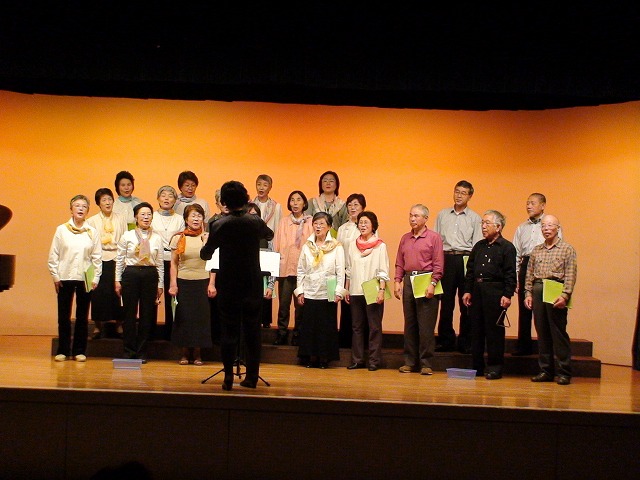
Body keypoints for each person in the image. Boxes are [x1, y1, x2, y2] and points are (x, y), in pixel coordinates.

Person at [200, 181, 273, 390]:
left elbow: (206, 254)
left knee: (229, 331)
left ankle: (228, 377)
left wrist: (207, 242)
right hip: (251, 283)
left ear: (224, 202)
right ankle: (251, 377)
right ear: (246, 198)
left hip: (229, 283)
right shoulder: (255, 221)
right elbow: (269, 234)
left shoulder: (219, 224)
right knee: (252, 331)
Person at [462, 210, 517, 379]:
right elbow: (470, 270)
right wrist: (467, 290)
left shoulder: (507, 247)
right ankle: (477, 366)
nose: (483, 226)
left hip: (495, 291)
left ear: (498, 227)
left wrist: (507, 294)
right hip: (477, 290)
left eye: (487, 223)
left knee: (494, 332)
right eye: (483, 223)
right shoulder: (478, 246)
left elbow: (510, 273)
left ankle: (495, 367)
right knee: (476, 330)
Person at [48, 195, 102, 362]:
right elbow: (54, 255)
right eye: (77, 206)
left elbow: (97, 257)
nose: (80, 209)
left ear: (87, 210)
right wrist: (55, 276)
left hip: (85, 278)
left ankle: (79, 350)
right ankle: (63, 350)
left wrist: (95, 278)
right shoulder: (61, 230)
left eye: (84, 206)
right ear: (71, 209)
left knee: (82, 316)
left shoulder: (92, 232)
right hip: (64, 276)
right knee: (63, 316)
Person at [524, 215, 577, 385]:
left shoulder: (567, 249)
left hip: (555, 290)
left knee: (558, 333)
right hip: (538, 289)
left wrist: (565, 295)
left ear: (558, 228)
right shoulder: (536, 250)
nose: (546, 229)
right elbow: (529, 274)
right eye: (543, 226)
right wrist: (528, 294)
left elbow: (570, 274)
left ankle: (564, 372)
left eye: (550, 225)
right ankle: (545, 370)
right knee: (542, 332)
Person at [434, 180, 483, 353]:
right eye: (457, 191)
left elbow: (477, 246)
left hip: (465, 259)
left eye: (463, 193)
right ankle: (445, 340)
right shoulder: (442, 215)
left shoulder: (475, 218)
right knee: (446, 302)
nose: (459, 195)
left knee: (466, 302)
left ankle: (466, 342)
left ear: (470, 196)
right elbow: (436, 241)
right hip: (447, 258)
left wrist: (473, 268)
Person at [394, 204, 444, 375]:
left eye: (416, 216)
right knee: (410, 324)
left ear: (425, 218)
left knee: (426, 325)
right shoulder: (405, 238)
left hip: (426, 279)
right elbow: (399, 262)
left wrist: (433, 283)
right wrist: (397, 281)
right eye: (411, 215)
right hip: (409, 279)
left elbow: (438, 263)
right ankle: (410, 361)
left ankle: (426, 363)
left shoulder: (434, 238)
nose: (412, 219)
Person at [511, 193, 562, 356]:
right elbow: (516, 254)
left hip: (546, 265)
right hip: (526, 264)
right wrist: (516, 277)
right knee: (524, 309)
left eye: (533, 203)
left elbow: (558, 248)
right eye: (527, 203)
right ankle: (523, 346)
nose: (528, 206)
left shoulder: (551, 224)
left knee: (547, 311)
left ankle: (547, 349)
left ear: (543, 205)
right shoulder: (521, 227)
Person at [295, 212, 346, 369]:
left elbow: (340, 270)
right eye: (316, 223)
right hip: (310, 289)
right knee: (310, 326)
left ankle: (324, 358)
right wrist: (300, 290)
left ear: (329, 226)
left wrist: (338, 291)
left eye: (322, 224)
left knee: (326, 326)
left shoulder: (336, 246)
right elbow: (301, 269)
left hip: (328, 290)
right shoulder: (307, 246)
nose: (318, 227)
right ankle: (311, 357)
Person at [115, 202, 164, 362]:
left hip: (150, 274)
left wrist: (160, 284)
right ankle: (128, 351)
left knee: (147, 314)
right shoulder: (127, 236)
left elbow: (160, 263)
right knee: (129, 313)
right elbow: (120, 260)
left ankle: (142, 352)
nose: (146, 217)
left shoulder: (157, 237)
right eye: (143, 214)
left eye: (149, 214)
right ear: (136, 217)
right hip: (131, 274)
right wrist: (117, 280)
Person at [344, 211, 389, 371]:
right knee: (357, 327)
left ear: (373, 226)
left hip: (373, 290)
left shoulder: (380, 246)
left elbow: (383, 270)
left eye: (366, 223)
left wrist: (381, 290)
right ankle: (358, 360)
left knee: (374, 327)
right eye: (360, 223)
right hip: (356, 290)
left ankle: (374, 361)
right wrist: (347, 288)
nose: (362, 225)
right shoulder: (353, 245)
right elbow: (349, 269)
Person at [168, 204, 212, 365]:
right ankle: (185, 353)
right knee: (184, 317)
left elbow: (212, 263)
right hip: (184, 282)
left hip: (203, 281)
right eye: (193, 216)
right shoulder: (178, 237)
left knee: (200, 318)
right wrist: (173, 284)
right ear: (186, 219)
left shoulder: (207, 237)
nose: (196, 219)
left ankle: (198, 353)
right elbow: (174, 263)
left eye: (199, 216)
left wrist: (212, 284)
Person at [272, 190, 313, 346]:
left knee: (301, 306)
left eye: (298, 200)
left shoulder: (310, 222)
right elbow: (276, 245)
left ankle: (298, 334)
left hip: (303, 271)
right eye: (292, 200)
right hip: (285, 269)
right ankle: (282, 333)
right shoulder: (283, 222)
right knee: (283, 305)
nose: (295, 203)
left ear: (304, 203)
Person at [87, 188, 127, 339]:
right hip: (99, 259)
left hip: (117, 257)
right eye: (104, 200)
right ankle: (98, 326)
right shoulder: (91, 221)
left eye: (110, 199)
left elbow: (125, 239)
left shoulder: (121, 218)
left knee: (118, 293)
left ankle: (119, 325)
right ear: (98, 203)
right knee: (98, 293)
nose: (108, 202)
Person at [151, 186, 185, 340]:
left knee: (172, 295)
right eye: (163, 195)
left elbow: (181, 240)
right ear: (158, 198)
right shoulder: (152, 216)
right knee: (153, 295)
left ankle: (172, 332)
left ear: (175, 200)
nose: (166, 198)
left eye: (170, 196)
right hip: (155, 260)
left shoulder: (179, 219)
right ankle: (150, 331)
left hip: (173, 260)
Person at [336, 193, 366, 348]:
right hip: (345, 272)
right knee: (347, 307)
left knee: (362, 309)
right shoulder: (343, 228)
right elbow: (338, 250)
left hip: (363, 273)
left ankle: (362, 345)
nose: (352, 208)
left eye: (356, 205)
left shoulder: (368, 226)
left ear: (363, 207)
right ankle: (346, 343)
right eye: (350, 205)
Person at [247, 202, 276, 330]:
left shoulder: (266, 236)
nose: (253, 218)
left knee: (262, 320)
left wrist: (270, 286)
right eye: (250, 215)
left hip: (262, 281)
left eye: (255, 215)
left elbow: (272, 263)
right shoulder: (239, 236)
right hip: (245, 283)